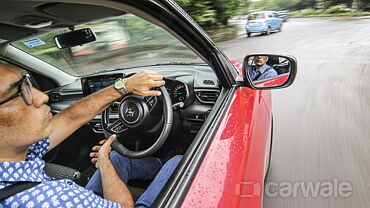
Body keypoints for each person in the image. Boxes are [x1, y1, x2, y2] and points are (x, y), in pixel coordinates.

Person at [0, 62, 180, 208]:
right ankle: (169, 165)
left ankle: (159, 165)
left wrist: (124, 86)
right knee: (178, 163)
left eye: (27, 84)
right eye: (19, 92)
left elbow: (71, 117)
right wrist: (104, 163)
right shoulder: (52, 199)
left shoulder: (12, 154)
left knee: (117, 157)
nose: (42, 97)